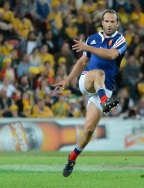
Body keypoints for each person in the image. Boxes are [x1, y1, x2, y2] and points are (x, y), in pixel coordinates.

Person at [53, 10, 127, 177]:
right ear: (102, 22)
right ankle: (105, 101)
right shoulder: (93, 38)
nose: (109, 24)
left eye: (112, 22)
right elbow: (83, 61)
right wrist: (67, 79)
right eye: (106, 21)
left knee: (89, 129)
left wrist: (87, 47)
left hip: (104, 88)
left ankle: (71, 158)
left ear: (117, 24)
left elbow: (111, 55)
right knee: (98, 73)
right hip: (87, 80)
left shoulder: (120, 40)